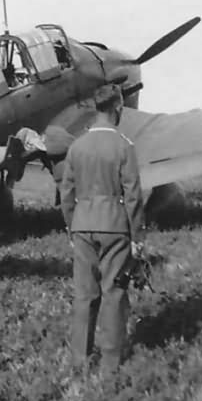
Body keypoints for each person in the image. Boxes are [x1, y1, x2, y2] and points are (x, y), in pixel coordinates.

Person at [59, 83, 145, 373]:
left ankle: (80, 360)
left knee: (85, 294)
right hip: (115, 226)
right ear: (118, 108)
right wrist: (138, 237)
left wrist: (72, 227)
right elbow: (133, 195)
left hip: (83, 225)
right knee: (114, 293)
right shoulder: (124, 146)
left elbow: (66, 192)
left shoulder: (76, 146)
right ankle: (110, 362)